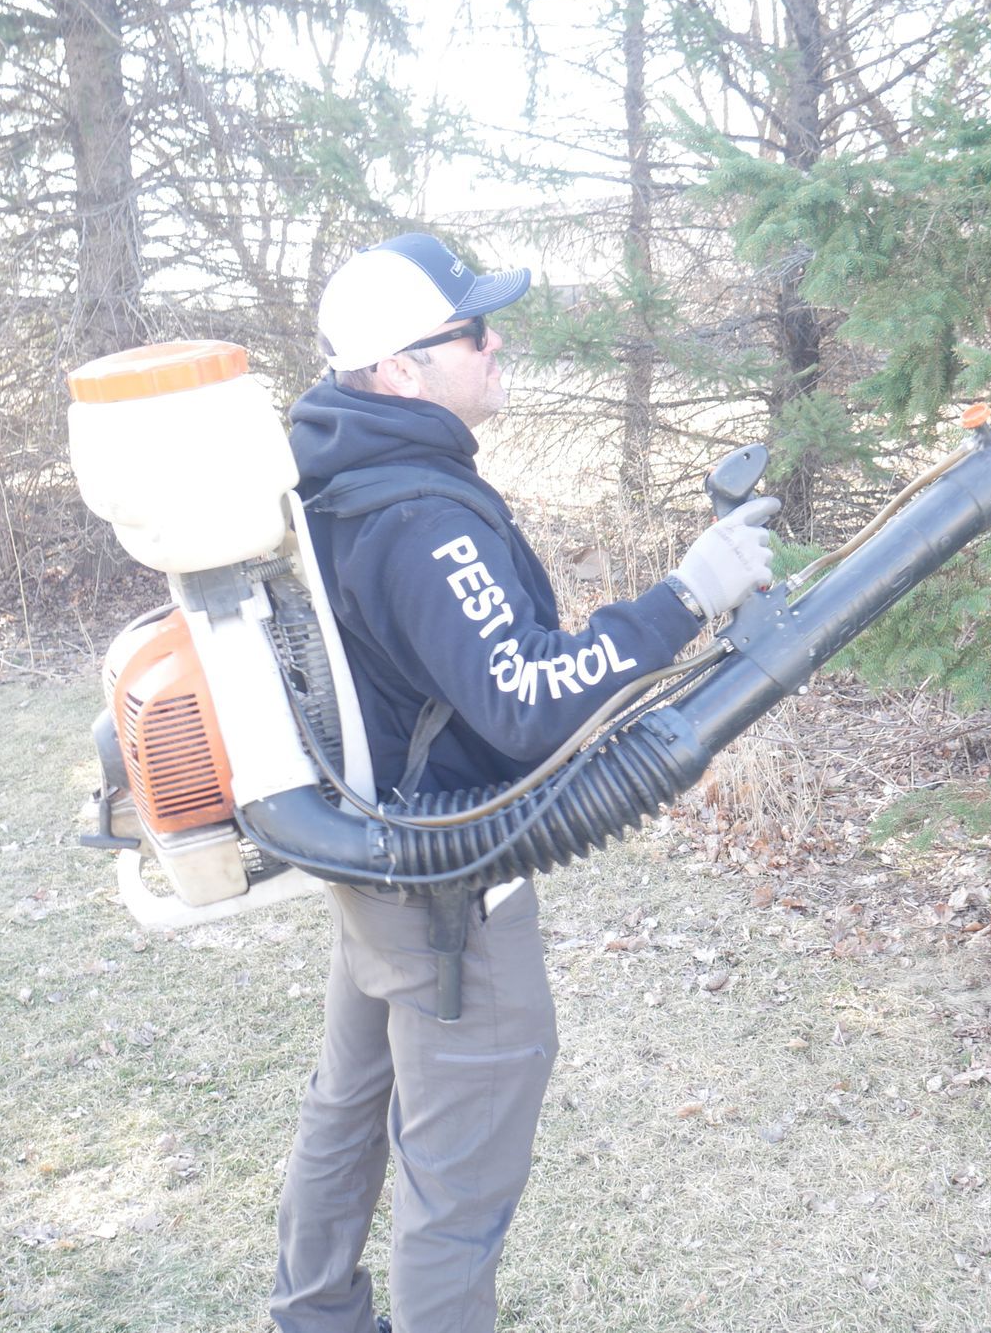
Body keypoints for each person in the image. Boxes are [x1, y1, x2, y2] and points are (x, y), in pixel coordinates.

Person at [271, 233, 778, 1333]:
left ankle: (313, 1315)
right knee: (456, 1207)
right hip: (454, 892)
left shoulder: (348, 467)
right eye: (472, 330)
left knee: (349, 1110)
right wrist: (686, 595)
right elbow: (527, 697)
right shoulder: (417, 515)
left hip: (385, 865)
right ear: (403, 368)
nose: (496, 341)